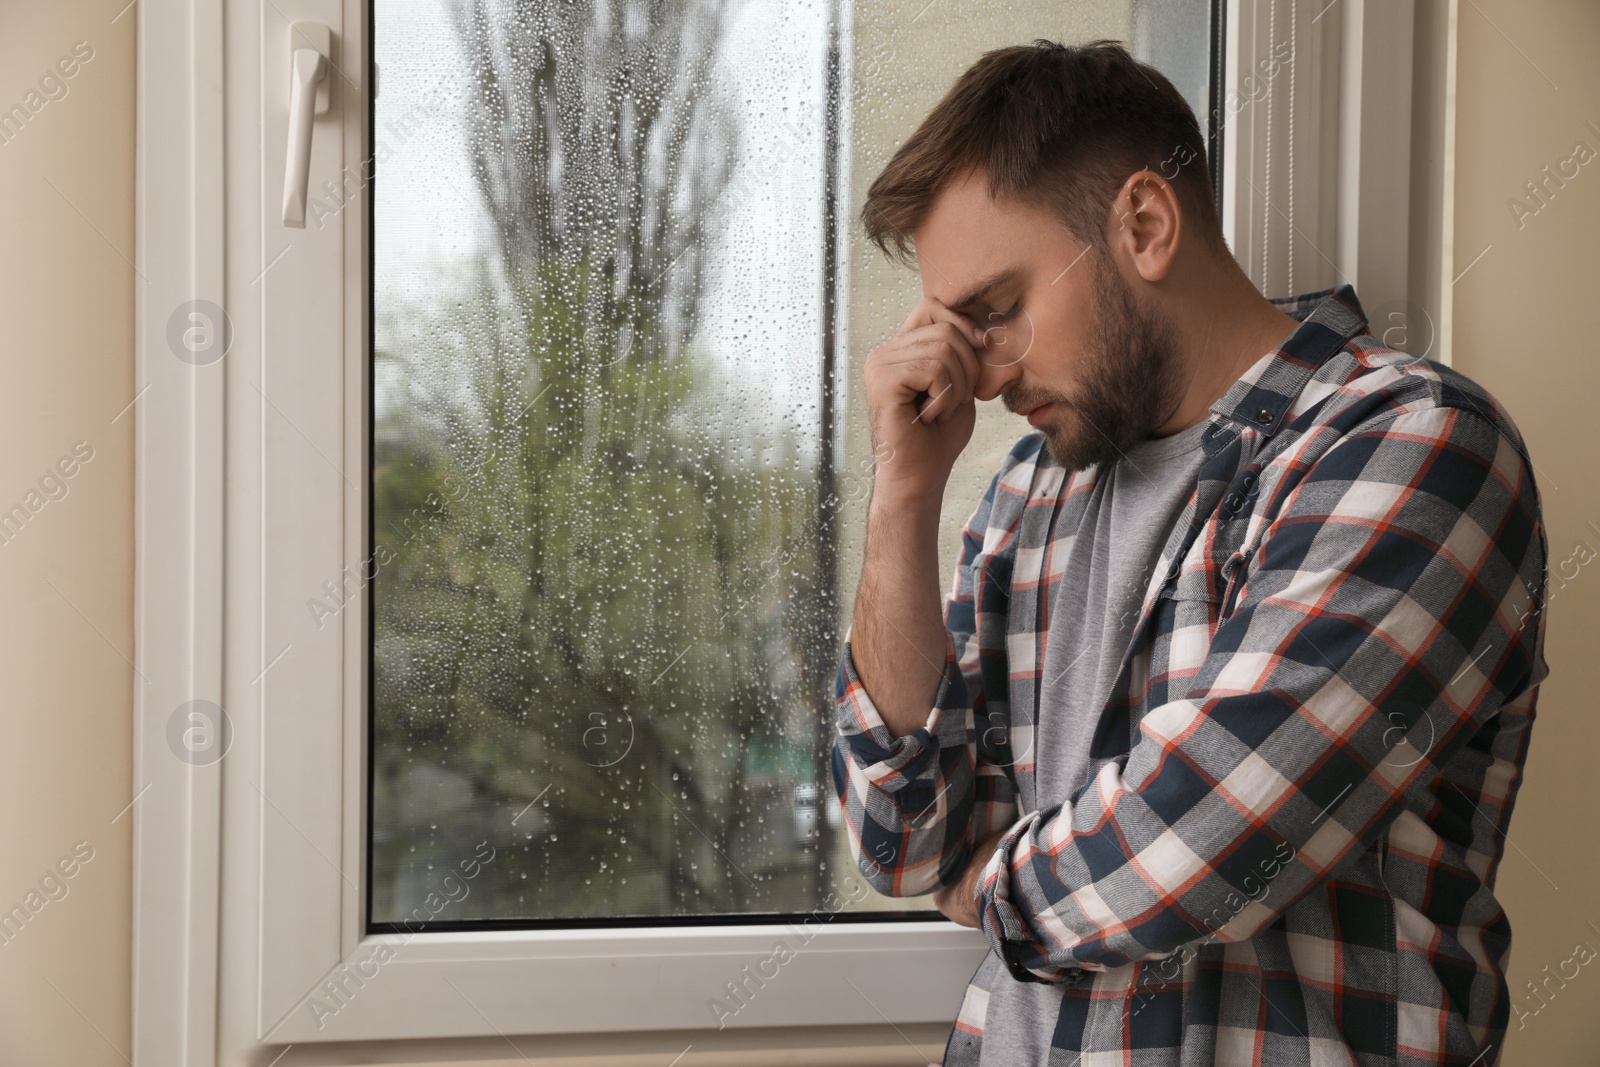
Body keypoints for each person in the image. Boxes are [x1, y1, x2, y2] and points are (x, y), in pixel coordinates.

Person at [831, 39, 1548, 1067]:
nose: (980, 376)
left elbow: (1197, 845)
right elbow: (904, 837)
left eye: (996, 312)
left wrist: (983, 885)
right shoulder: (1026, 496)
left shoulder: (1412, 444)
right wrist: (903, 493)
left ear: (1144, 224)